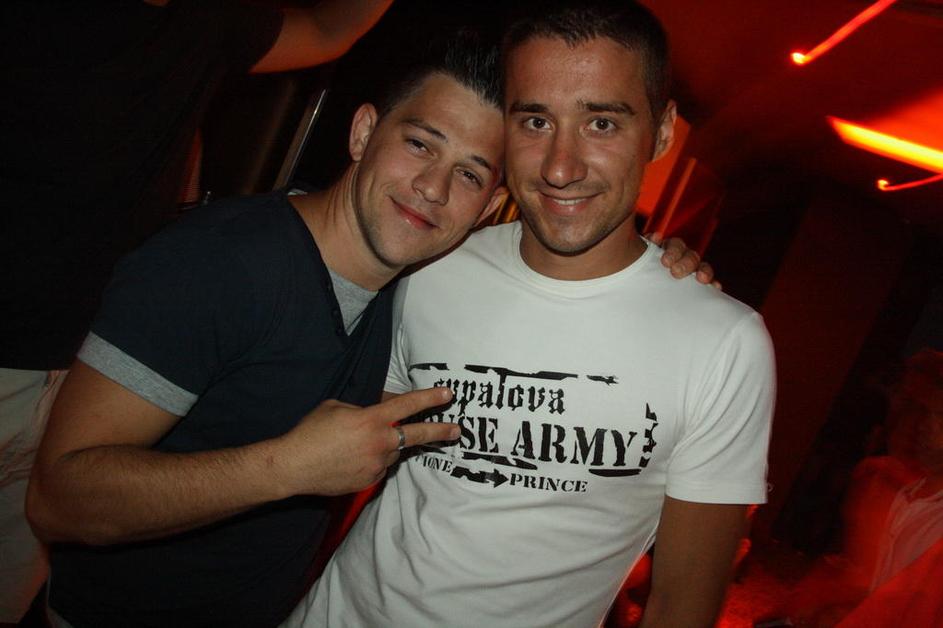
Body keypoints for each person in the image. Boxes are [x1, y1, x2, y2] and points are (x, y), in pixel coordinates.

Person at [24, 28, 711, 628]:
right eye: (419, 144)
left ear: (486, 207)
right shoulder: (216, 264)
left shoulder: (415, 285)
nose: (432, 188)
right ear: (361, 133)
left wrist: (659, 267)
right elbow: (58, 499)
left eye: (470, 174)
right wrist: (289, 467)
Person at [289, 2, 775, 627]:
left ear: (660, 133)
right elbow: (352, 460)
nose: (560, 168)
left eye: (601, 123)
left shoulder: (725, 343)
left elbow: (682, 602)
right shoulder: (429, 265)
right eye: (536, 121)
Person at [0, 1, 395, 623]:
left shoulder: (205, 20)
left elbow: (329, 28)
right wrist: (288, 466)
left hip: (87, 354)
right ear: (364, 133)